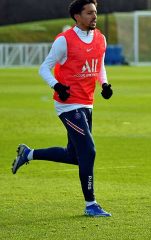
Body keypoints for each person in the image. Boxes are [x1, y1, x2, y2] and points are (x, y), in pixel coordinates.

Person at [11, 0, 113, 217]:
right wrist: (56, 85)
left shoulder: (100, 38)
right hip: (68, 105)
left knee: (75, 156)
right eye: (89, 13)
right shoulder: (64, 41)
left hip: (87, 102)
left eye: (95, 12)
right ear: (77, 16)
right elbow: (44, 68)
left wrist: (103, 84)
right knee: (89, 150)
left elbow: (99, 63)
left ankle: (29, 154)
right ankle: (91, 204)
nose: (94, 16)